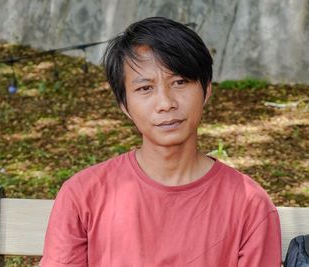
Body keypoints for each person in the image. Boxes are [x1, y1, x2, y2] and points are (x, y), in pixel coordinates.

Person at [39, 17, 281, 267]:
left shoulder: (249, 204)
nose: (166, 103)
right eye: (145, 88)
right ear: (124, 105)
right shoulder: (83, 195)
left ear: (206, 90)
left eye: (179, 82)